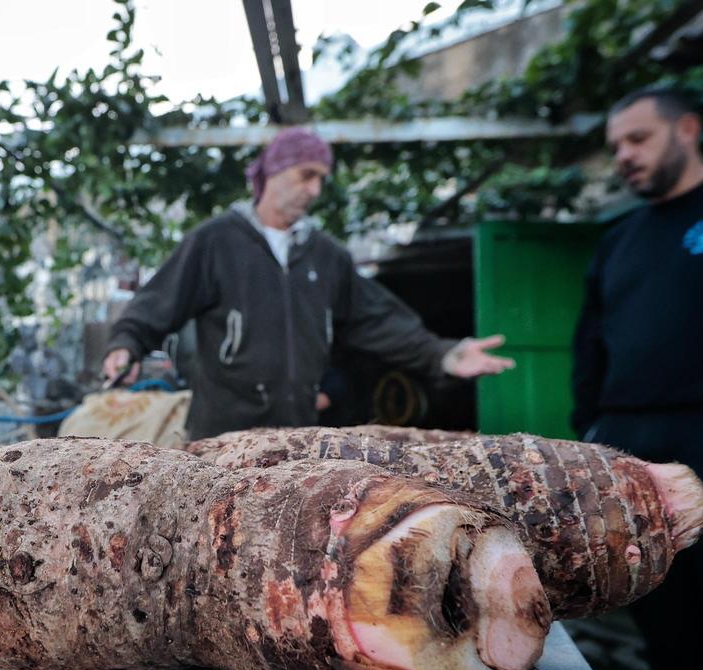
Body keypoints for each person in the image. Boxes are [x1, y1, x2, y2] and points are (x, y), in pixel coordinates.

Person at [102, 127, 513, 440]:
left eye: (320, 179)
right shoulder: (215, 242)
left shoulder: (326, 256)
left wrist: (442, 354)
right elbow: (159, 300)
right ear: (275, 171)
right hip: (222, 438)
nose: (315, 190)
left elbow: (377, 320)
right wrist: (127, 343)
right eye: (307, 176)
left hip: (295, 436)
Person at [571, 86, 703, 670]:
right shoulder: (619, 239)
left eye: (637, 139)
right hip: (634, 452)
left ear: (687, 129)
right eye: (616, 147)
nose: (624, 157)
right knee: (668, 630)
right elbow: (591, 347)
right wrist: (595, 434)